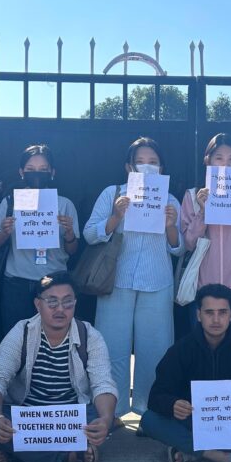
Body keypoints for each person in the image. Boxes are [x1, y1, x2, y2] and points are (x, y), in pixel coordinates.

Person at [83, 137, 183, 420]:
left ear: (161, 168)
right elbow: (89, 234)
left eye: (153, 162)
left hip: (157, 282)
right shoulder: (112, 193)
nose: (146, 167)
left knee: (155, 350)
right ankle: (111, 413)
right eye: (140, 162)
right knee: (111, 348)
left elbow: (179, 249)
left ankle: (149, 412)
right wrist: (116, 216)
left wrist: (170, 226)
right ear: (129, 167)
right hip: (116, 281)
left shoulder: (170, 200)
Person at [0, 271, 117, 462]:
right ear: (38, 304)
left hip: (71, 419)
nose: (60, 309)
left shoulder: (90, 335)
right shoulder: (22, 331)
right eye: (52, 302)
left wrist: (105, 420)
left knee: (102, 416)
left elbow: (103, 384)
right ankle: (68, 456)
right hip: (27, 417)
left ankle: (18, 452)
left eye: (67, 302)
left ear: (75, 304)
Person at [142, 284, 231, 462]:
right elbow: (156, 397)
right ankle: (224, 457)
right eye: (209, 313)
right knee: (149, 420)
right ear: (198, 315)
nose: (216, 320)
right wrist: (172, 405)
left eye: (222, 312)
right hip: (190, 423)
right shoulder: (181, 350)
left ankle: (192, 451)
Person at [0, 144, 80, 337]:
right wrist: (5, 232)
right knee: (16, 340)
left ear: (52, 172)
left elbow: (73, 250)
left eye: (43, 169)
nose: (37, 173)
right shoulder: (10, 202)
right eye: (31, 169)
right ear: (21, 172)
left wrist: (69, 233)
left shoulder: (64, 204)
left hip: (55, 283)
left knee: (53, 338)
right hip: (16, 283)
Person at [179, 133, 231, 338]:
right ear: (207, 160)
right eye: (219, 158)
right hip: (203, 284)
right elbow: (188, 243)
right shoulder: (193, 195)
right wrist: (202, 211)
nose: (226, 164)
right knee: (201, 345)